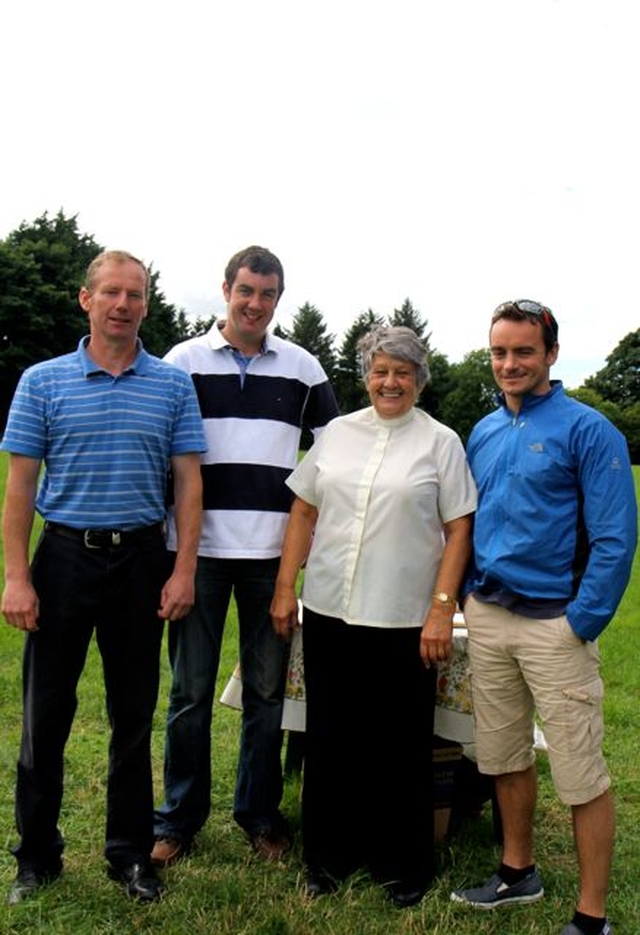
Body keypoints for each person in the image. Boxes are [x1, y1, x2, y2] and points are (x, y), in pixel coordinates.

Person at [1, 250, 206, 905]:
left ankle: (129, 856)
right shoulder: (42, 381)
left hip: (142, 561)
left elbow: (188, 483)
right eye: (111, 292)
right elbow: (20, 487)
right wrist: (16, 576)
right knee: (46, 714)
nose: (123, 303)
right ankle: (36, 854)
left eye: (135, 293)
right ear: (85, 300)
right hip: (62, 558)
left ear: (146, 303)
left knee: (134, 714)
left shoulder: (172, 384)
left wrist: (182, 570)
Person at [270, 326, 477, 907]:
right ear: (365, 375)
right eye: (381, 370)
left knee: (398, 743)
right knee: (331, 737)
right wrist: (287, 588)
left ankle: (402, 865)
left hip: (405, 618)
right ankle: (326, 859)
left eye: (403, 372)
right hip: (331, 608)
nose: (391, 382)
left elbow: (460, 527)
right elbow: (304, 510)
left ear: (419, 379)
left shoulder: (441, 442)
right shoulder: (336, 433)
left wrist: (442, 609)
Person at [450, 300, 637, 935]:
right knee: (504, 756)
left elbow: (614, 539)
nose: (510, 364)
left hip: (556, 624)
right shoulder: (482, 430)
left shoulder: (589, 430)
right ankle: (516, 872)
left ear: (551, 354)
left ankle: (592, 917)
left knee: (580, 774)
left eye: (523, 351)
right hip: (490, 617)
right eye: (499, 352)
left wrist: (580, 621)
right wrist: (469, 596)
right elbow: (469, 522)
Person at [152, 245, 339, 866]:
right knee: (190, 694)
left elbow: (335, 453)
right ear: (226, 290)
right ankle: (178, 820)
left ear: (277, 300)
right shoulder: (182, 362)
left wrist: (310, 535)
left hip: (271, 559)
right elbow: (161, 453)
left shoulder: (303, 368)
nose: (255, 304)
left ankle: (258, 816)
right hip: (195, 555)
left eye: (267, 295)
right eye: (245, 292)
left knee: (266, 696)